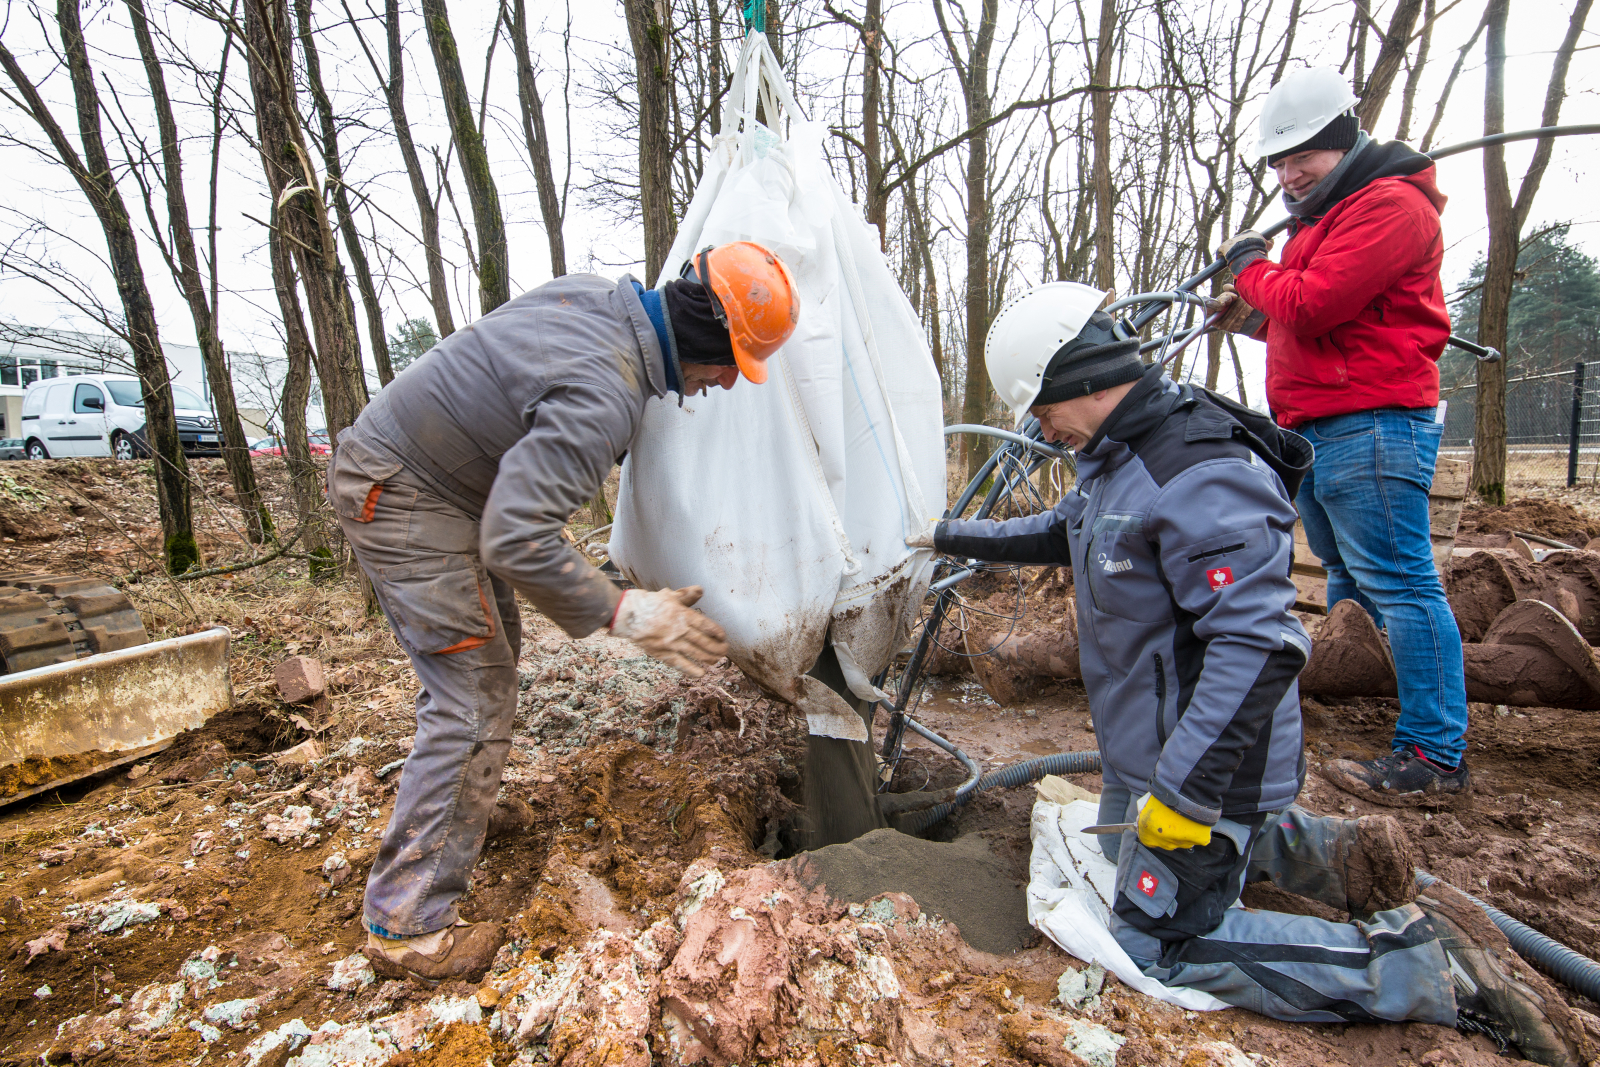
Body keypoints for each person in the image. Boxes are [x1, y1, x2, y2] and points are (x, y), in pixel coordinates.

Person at [914, 282, 1585, 1065]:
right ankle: (1336, 857)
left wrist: (1186, 792)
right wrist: (945, 535)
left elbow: (1259, 647)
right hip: (1158, 753)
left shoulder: (1197, 470)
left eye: (1041, 405)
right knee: (1109, 849)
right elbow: (1066, 528)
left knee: (1155, 941)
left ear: (1082, 378)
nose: (1039, 425)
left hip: (1208, 763)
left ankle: (1424, 964)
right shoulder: (1118, 458)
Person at [328, 242, 800, 982]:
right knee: (473, 695)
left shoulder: (600, 303)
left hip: (432, 479)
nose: (726, 384)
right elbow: (515, 537)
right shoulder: (604, 394)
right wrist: (628, 614)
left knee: (491, 662)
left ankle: (458, 811)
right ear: (707, 338)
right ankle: (406, 923)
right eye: (732, 364)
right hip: (406, 496)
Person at [1214, 66, 1470, 804]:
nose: (1292, 175)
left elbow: (1317, 303)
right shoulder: (1325, 220)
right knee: (1349, 580)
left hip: (1373, 422)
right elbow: (1306, 323)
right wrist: (1257, 314)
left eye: (1306, 158)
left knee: (1402, 583)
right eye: (1281, 163)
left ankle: (1435, 754)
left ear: (1345, 140)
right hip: (1320, 423)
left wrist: (1252, 267)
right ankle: (1382, 708)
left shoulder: (1389, 205)